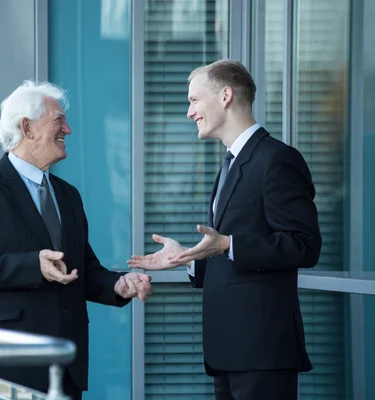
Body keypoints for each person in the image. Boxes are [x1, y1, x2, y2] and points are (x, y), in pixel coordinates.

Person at [128, 59, 322, 400]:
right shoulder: (231, 163)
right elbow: (228, 248)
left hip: (263, 352)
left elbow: (304, 245)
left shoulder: (277, 160)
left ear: (226, 96)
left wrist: (228, 244)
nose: (190, 113)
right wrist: (188, 258)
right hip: (227, 351)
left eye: (194, 100)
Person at [0, 81, 152, 399]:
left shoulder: (68, 195)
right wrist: (34, 266)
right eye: (59, 120)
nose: (67, 129)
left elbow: (82, 268)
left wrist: (118, 285)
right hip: (10, 361)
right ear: (27, 128)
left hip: (65, 364)